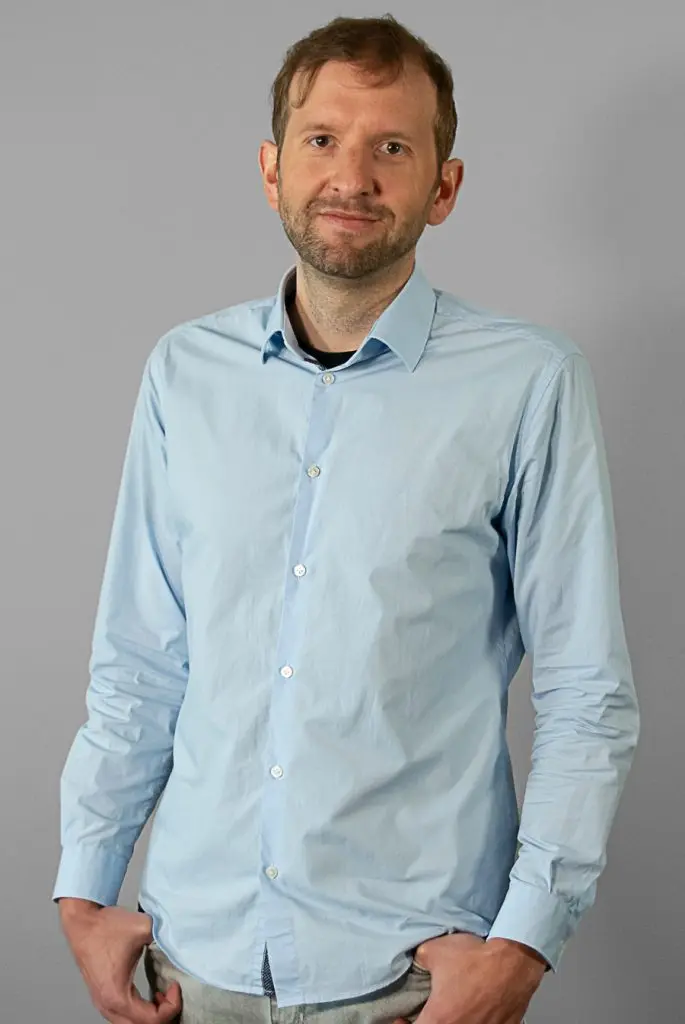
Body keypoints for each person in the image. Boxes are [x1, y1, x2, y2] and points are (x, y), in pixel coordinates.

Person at [52, 13, 640, 1024]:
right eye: (322, 139)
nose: (351, 177)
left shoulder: (527, 384)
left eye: (392, 148)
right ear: (272, 168)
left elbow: (587, 692)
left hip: (405, 979)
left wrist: (522, 946)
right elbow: (139, 662)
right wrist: (83, 889)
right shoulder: (185, 374)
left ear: (443, 187)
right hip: (191, 963)